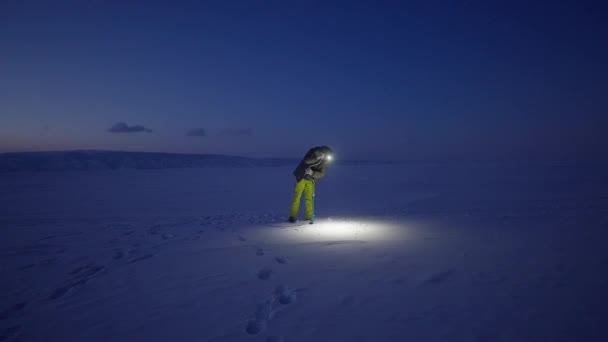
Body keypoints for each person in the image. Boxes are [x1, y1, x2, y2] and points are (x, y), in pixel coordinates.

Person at [289, 146, 333, 223]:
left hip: (311, 180)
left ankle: (309, 216)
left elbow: (322, 173)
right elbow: (306, 161)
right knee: (297, 197)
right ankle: (292, 216)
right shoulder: (312, 152)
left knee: (309, 198)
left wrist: (312, 173)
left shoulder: (325, 162)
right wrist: (317, 157)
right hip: (301, 177)